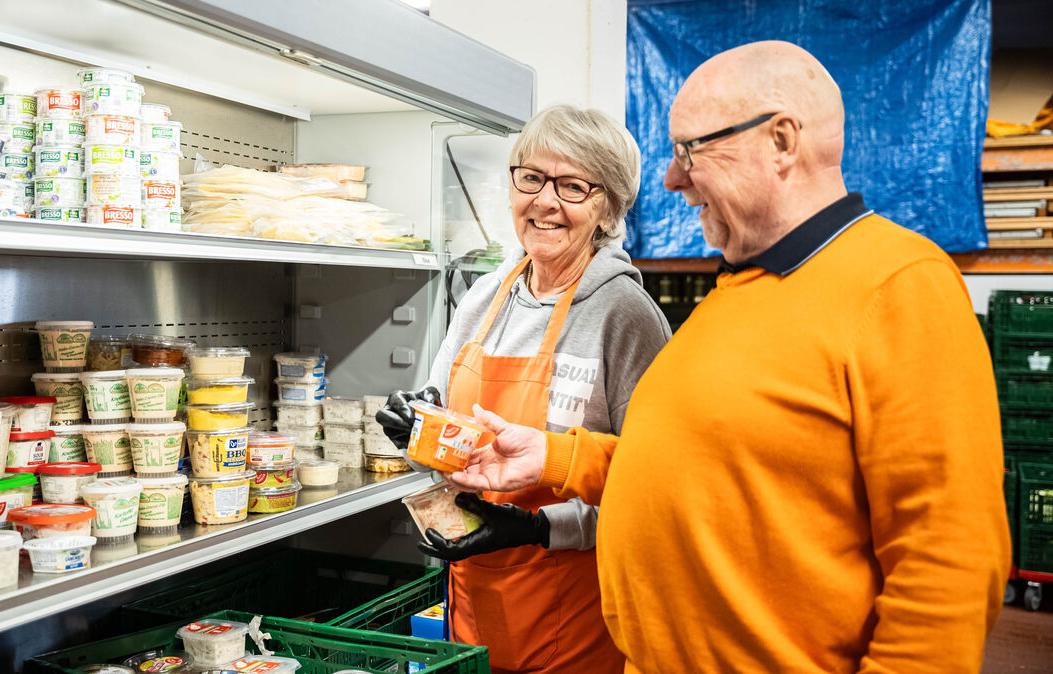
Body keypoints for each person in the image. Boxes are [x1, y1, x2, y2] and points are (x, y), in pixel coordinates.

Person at [449, 41, 1011, 673]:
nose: (671, 179)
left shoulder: (898, 285)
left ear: (781, 141)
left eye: (692, 149)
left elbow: (949, 564)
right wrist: (554, 455)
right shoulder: (736, 295)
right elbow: (693, 465)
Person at [377, 104, 672, 673]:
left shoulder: (626, 316)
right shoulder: (484, 300)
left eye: (573, 186)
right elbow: (444, 452)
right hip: (472, 611)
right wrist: (417, 429)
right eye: (532, 177)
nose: (544, 201)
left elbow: (653, 490)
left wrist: (539, 528)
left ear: (608, 207)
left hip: (574, 620)